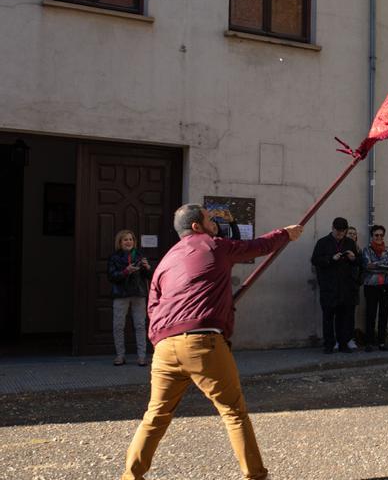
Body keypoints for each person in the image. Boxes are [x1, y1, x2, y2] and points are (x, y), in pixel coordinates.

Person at [121, 203, 303, 480]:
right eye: (209, 219)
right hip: (202, 343)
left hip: (165, 347)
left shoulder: (167, 259)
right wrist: (286, 234)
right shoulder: (214, 245)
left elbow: (153, 303)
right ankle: (255, 475)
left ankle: (130, 477)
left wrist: (159, 339)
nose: (213, 222)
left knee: (155, 416)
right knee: (233, 412)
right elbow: (257, 247)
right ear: (196, 226)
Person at [311, 217, 360, 354]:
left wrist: (353, 258)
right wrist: (331, 259)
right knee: (328, 317)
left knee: (342, 318)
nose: (340, 235)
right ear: (332, 228)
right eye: (338, 232)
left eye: (342, 232)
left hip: (345, 288)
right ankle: (328, 344)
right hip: (328, 287)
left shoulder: (350, 243)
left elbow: (358, 262)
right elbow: (315, 260)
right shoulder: (323, 243)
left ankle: (342, 343)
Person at [108, 229, 152, 366]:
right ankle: (120, 356)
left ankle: (142, 357)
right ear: (119, 242)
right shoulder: (114, 257)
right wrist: (126, 271)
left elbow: (149, 277)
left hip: (138, 294)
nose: (128, 242)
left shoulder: (139, 255)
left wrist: (147, 268)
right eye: (125, 240)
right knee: (118, 326)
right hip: (121, 294)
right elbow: (111, 276)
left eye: (131, 239)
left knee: (140, 325)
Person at [361, 224, 388, 352]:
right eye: (376, 235)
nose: (379, 237)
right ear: (372, 236)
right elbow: (367, 265)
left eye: (381, 235)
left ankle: (382, 342)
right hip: (371, 285)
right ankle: (369, 342)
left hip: (386, 285)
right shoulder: (366, 250)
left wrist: (376, 265)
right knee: (371, 313)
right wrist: (383, 264)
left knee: (384, 314)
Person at [343, 226, 362, 350]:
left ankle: (350, 338)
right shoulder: (342, 249)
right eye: (349, 233)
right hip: (341, 286)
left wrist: (358, 281)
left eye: (354, 234)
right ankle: (339, 339)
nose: (352, 236)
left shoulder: (359, 251)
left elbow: (362, 268)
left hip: (353, 287)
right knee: (339, 315)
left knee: (350, 315)